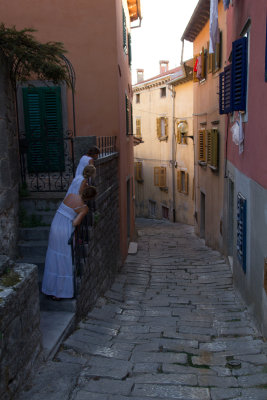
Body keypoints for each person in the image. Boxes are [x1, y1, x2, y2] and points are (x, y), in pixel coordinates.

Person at [42, 186, 97, 300]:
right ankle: (59, 292)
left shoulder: (70, 196)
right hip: (64, 230)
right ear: (90, 198)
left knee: (53, 256)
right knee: (63, 259)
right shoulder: (84, 208)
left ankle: (50, 288)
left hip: (55, 225)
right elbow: (75, 223)